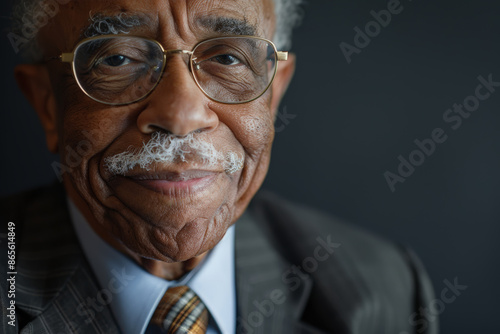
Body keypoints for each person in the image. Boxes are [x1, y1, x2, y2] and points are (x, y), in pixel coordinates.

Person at [1, 0, 438, 333]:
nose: (181, 115)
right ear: (46, 103)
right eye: (117, 58)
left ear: (274, 95)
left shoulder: (386, 290)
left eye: (228, 58)